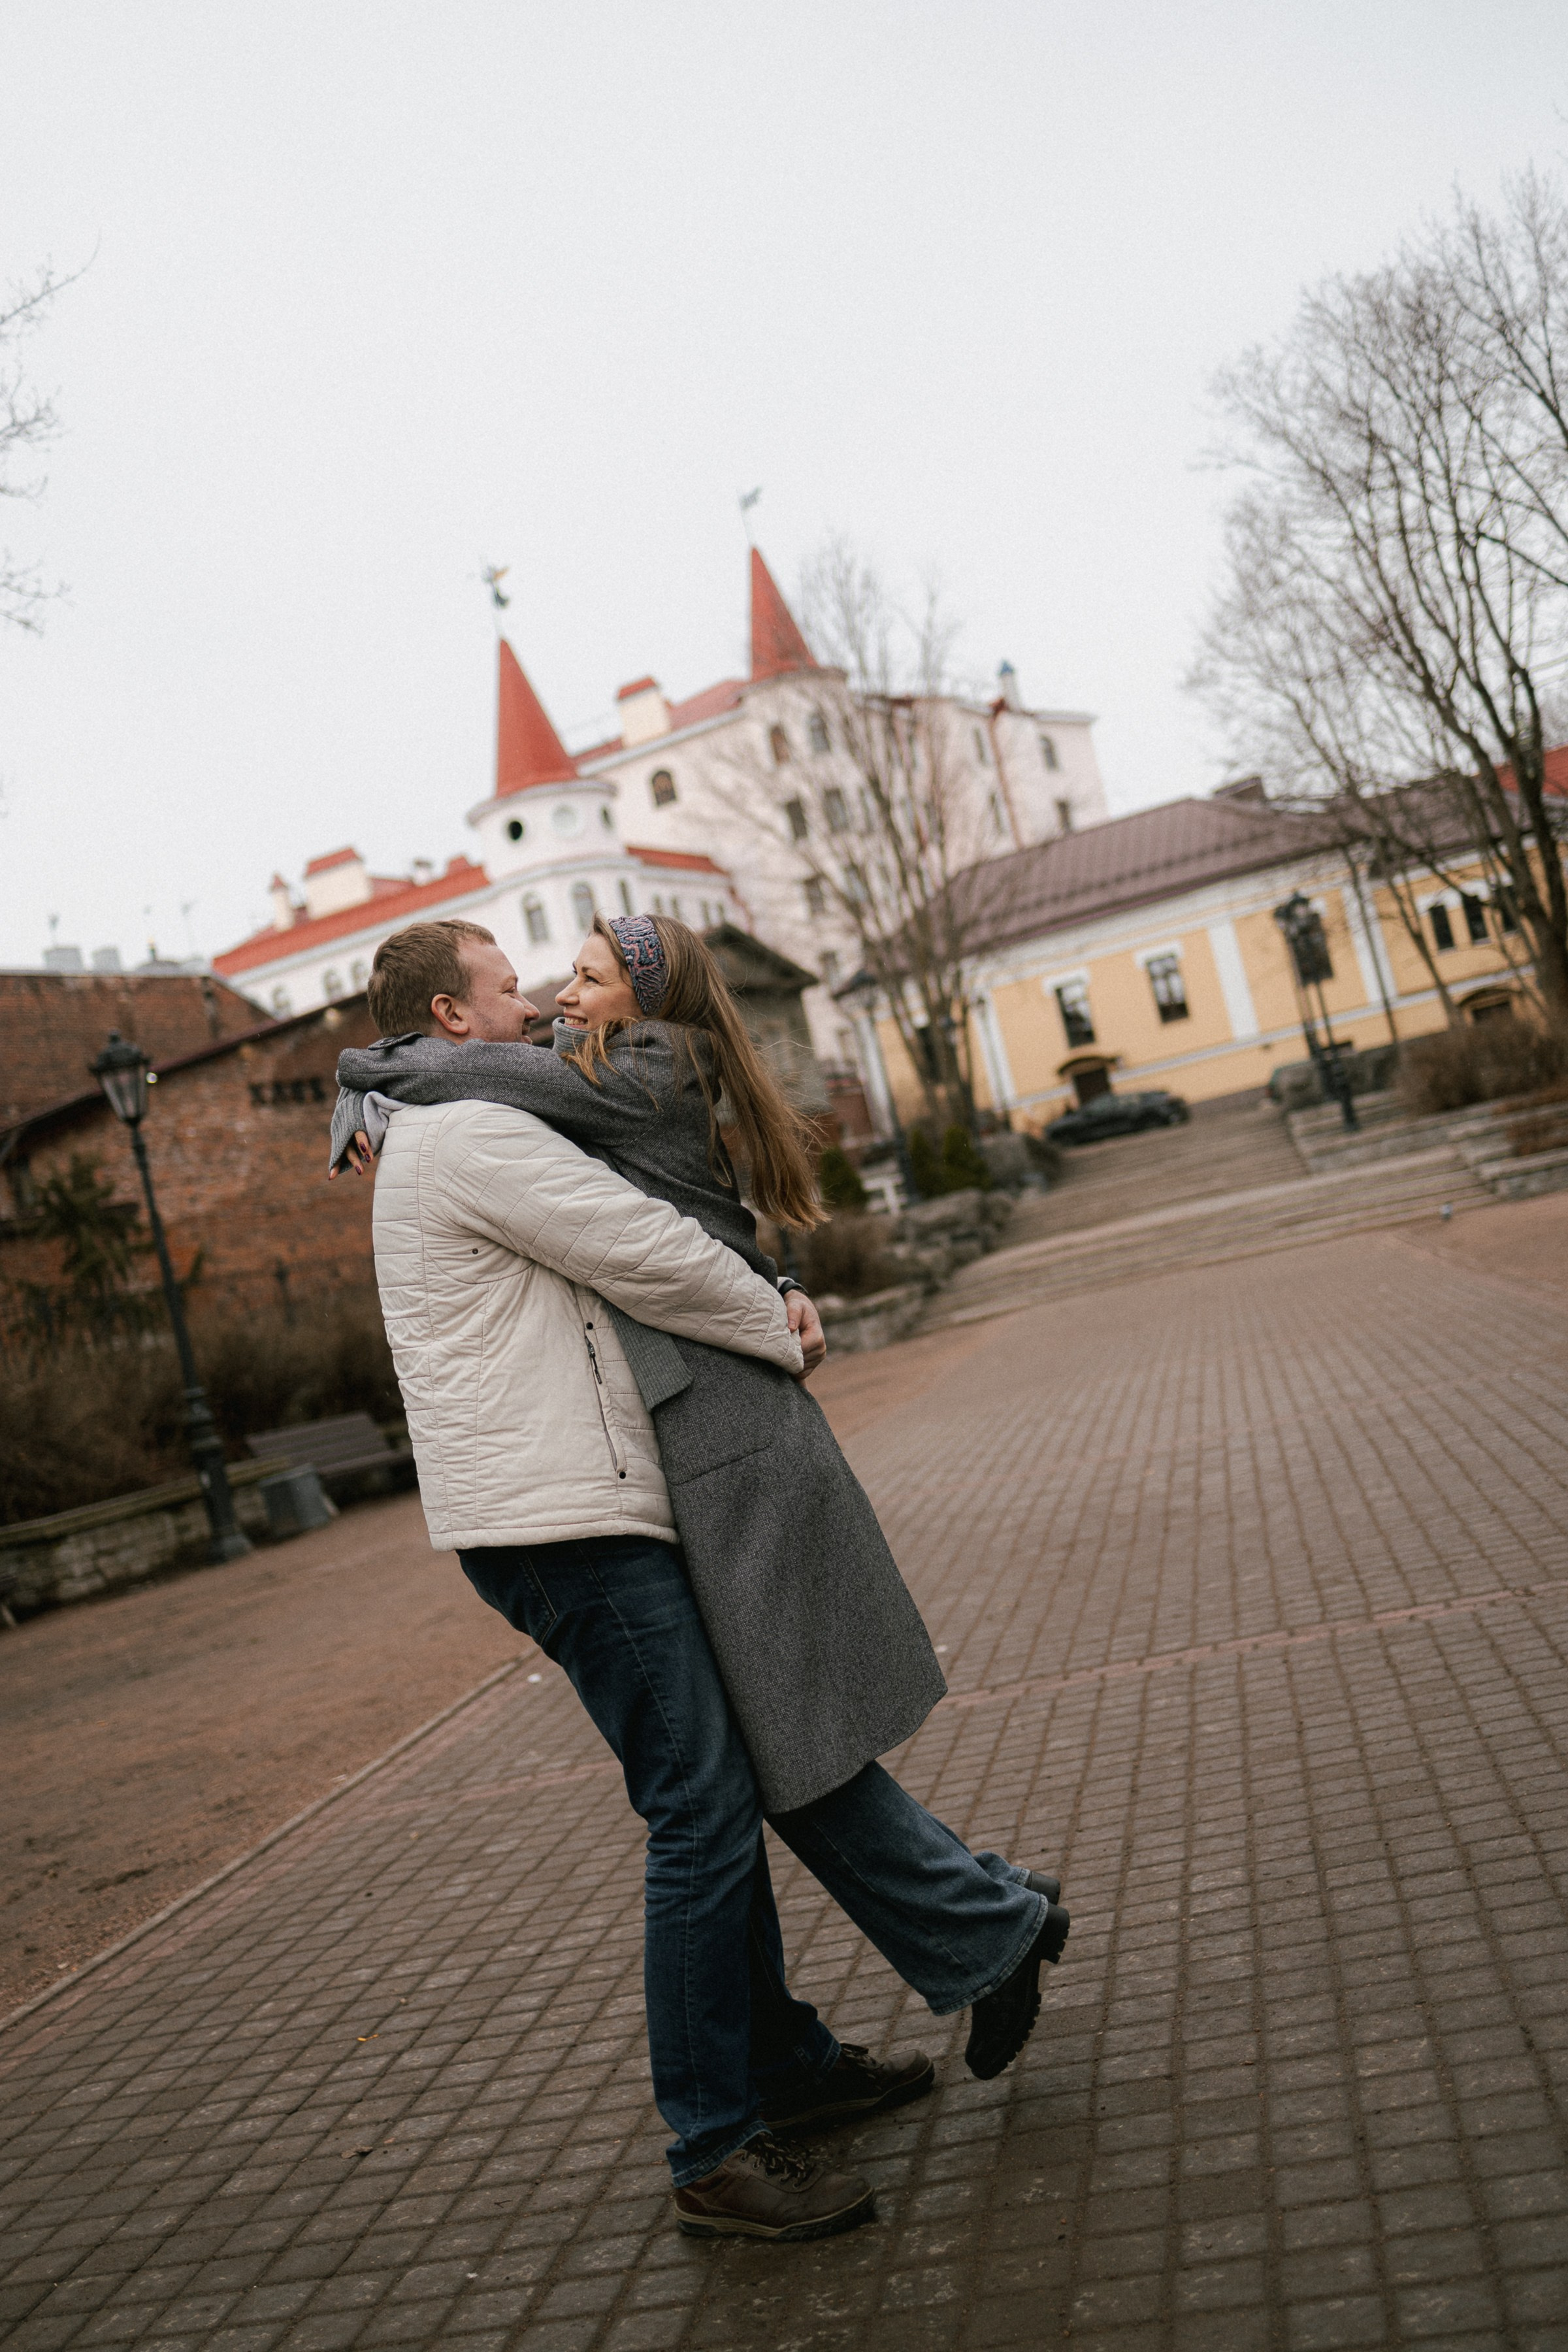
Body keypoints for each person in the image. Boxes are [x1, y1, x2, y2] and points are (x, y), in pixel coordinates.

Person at [338, 916, 1069, 2243]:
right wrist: (777, 1321)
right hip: (569, 1526)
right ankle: (717, 2148)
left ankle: (787, 2065)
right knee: (705, 1810)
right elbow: (653, 1256)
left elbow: (657, 1210)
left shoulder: (456, 1122)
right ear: (451, 1021)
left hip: (576, 1514)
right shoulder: (473, 1134)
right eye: (514, 988)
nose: (546, 1004)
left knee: (721, 1791)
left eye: (566, 980)